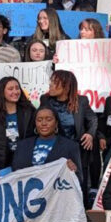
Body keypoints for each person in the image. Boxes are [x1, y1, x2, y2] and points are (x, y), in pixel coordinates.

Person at [39, 71, 98, 204]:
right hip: (54, 149)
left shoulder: (81, 101)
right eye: (51, 81)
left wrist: (90, 134)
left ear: (66, 86)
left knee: (78, 183)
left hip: (76, 150)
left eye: (55, 82)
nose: (50, 85)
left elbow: (93, 119)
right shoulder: (45, 100)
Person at [0, 76, 36, 176]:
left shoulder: (29, 110)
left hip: (25, 162)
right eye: (10, 89)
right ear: (1, 92)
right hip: (2, 163)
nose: (15, 92)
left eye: (17, 88)